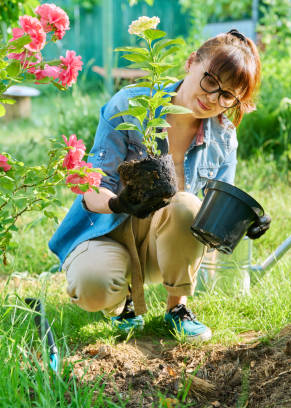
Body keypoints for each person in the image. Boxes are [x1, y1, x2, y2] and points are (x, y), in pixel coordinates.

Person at [49, 29, 271, 342]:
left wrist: (244, 219)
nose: (212, 98)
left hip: (164, 245)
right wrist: (119, 203)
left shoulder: (224, 136)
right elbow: (92, 185)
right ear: (192, 62)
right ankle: (120, 304)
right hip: (106, 231)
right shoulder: (130, 106)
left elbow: (213, 211)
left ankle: (177, 308)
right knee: (92, 285)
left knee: (186, 205)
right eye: (210, 81)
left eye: (227, 96)